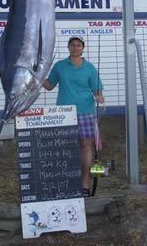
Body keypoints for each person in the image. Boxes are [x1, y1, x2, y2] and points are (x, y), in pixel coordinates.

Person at [43, 35, 104, 197]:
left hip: (86, 112)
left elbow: (98, 91)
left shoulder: (90, 67)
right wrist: (36, 76)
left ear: (82, 48)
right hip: (64, 113)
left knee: (85, 147)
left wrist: (99, 97)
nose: (75, 48)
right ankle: (66, 182)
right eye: (72, 45)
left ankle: (84, 183)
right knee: (65, 148)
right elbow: (49, 85)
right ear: (68, 47)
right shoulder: (60, 66)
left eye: (78, 45)